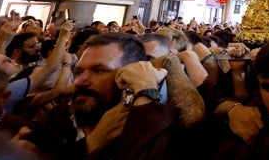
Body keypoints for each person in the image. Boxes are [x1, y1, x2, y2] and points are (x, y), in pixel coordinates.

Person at [21, 32, 185, 159]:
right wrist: (92, 143)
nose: (80, 81)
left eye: (98, 71)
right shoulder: (57, 118)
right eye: (78, 71)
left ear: (129, 75)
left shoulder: (155, 130)